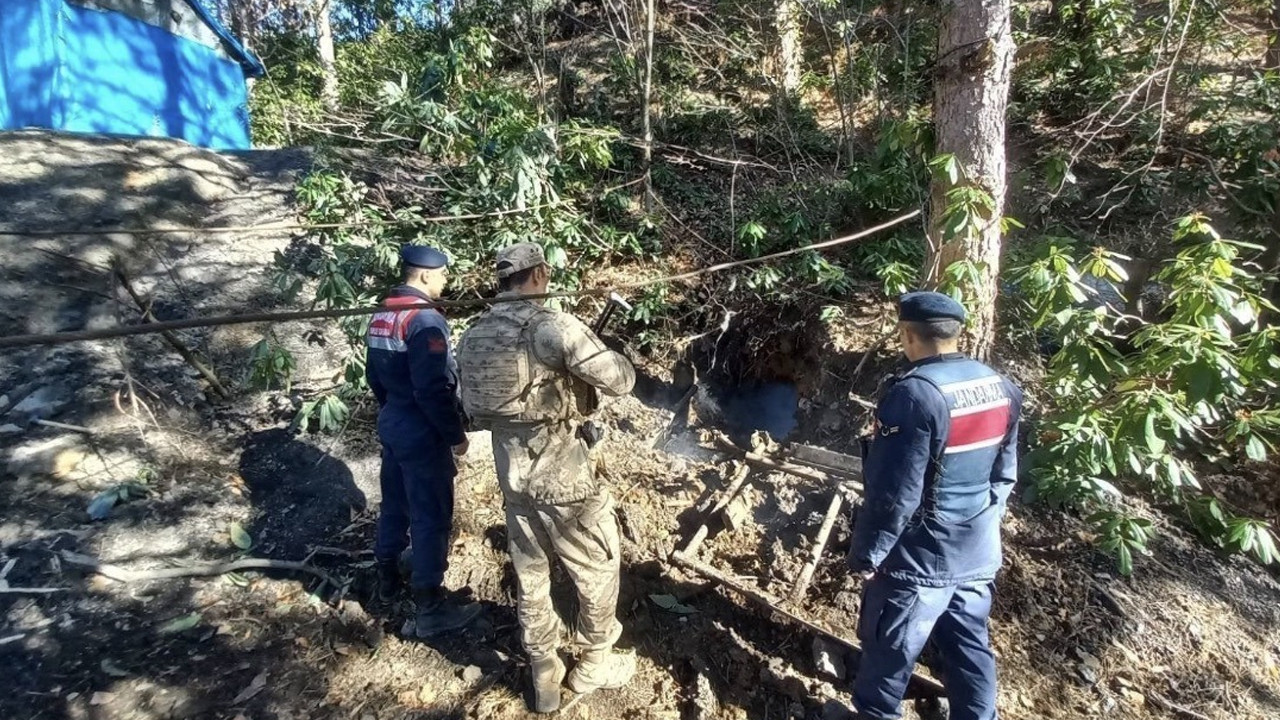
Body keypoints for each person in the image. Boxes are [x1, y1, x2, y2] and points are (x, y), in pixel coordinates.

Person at [456, 242, 637, 713]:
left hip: (510, 473)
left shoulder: (474, 335)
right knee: (597, 567)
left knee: (531, 574)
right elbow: (619, 381)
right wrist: (610, 356)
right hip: (562, 474)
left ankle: (544, 672)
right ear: (538, 274)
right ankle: (595, 663)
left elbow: (473, 407)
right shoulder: (551, 326)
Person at [846, 291, 1023, 720]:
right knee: (968, 649)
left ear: (908, 334)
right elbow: (1004, 475)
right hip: (978, 552)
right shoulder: (1001, 387)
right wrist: (981, 523)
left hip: (920, 561)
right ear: (957, 333)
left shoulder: (914, 396)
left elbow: (895, 494)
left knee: (889, 653)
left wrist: (867, 555)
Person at [365, 244, 480, 638]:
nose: (445, 282)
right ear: (427, 275)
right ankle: (430, 606)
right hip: (420, 427)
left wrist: (392, 411)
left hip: (393, 420)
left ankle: (386, 578)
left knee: (394, 502)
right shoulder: (426, 321)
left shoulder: (383, 313)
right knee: (431, 515)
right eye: (443, 275)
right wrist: (456, 437)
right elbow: (433, 388)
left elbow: (374, 377)